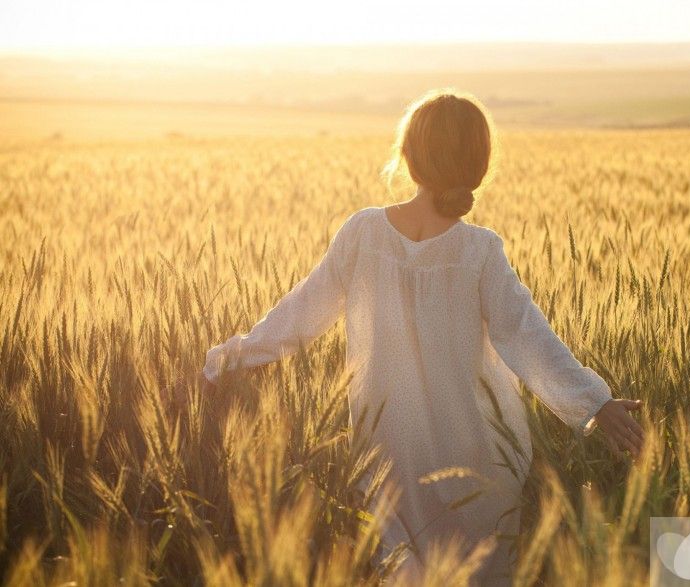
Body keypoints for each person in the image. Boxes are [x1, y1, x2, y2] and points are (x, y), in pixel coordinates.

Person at [184, 88, 645, 585]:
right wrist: (595, 404)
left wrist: (225, 360)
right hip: (477, 457)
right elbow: (529, 339)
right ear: (479, 166)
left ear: (409, 157)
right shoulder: (480, 251)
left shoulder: (363, 234)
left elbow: (297, 317)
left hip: (386, 454)